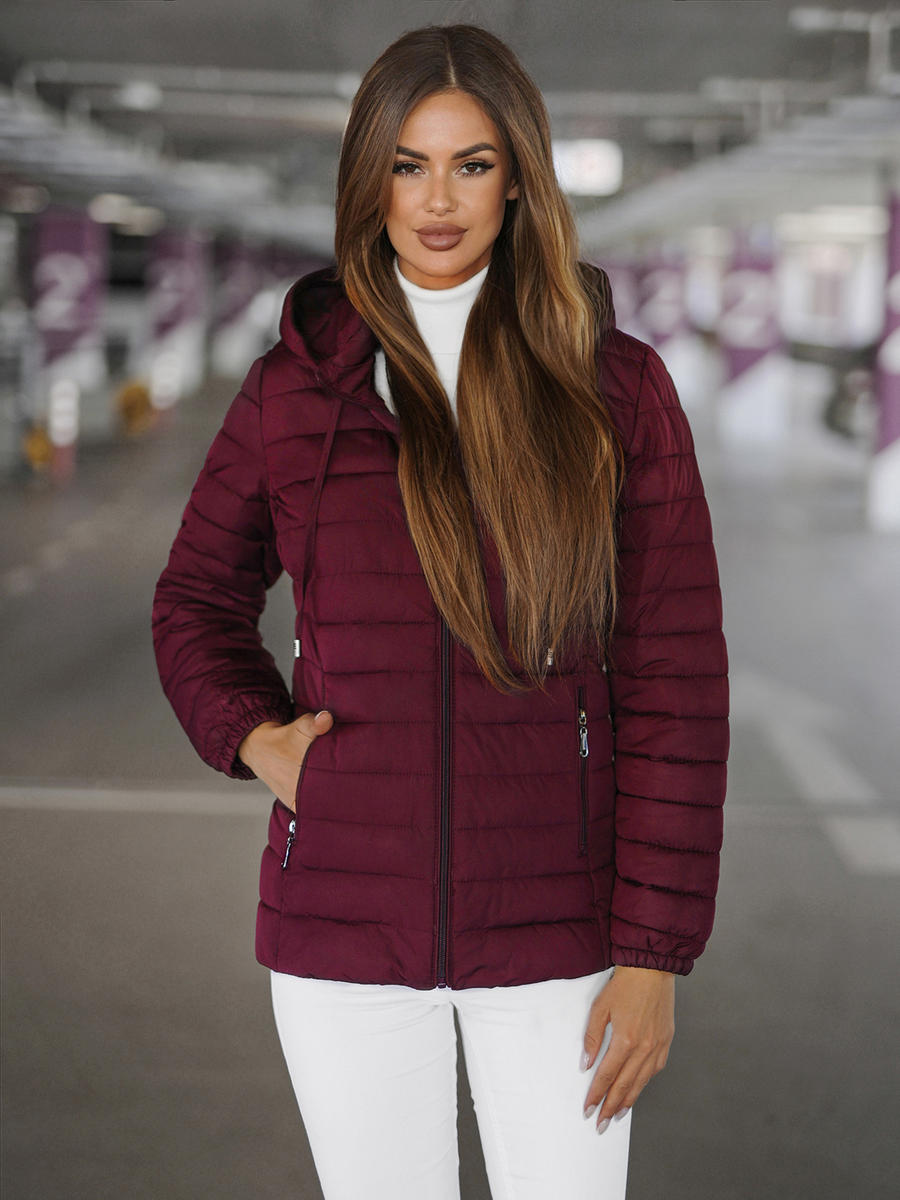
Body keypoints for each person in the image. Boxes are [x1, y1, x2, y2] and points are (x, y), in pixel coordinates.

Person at [152, 23, 728, 1200]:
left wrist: (653, 956)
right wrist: (254, 736)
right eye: (408, 165)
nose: (438, 199)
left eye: (472, 163)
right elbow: (194, 599)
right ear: (371, 179)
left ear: (518, 178)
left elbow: (675, 683)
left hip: (562, 937)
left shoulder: (612, 389)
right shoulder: (293, 393)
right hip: (340, 931)